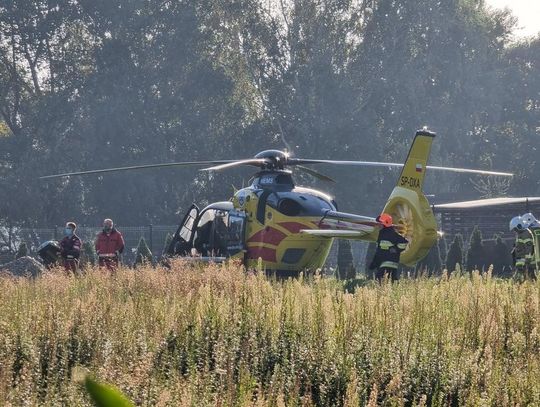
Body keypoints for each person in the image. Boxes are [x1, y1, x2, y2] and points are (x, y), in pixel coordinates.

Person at [369, 213, 408, 282]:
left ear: (385, 224)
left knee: (380, 281)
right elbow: (380, 250)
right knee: (392, 282)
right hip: (391, 264)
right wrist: (374, 263)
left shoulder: (389, 234)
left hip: (386, 263)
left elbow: (404, 242)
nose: (378, 225)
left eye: (380, 223)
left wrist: (396, 249)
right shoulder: (385, 233)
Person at [510, 216, 536, 281]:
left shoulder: (526, 234)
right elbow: (520, 247)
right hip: (521, 262)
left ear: (519, 226)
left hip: (525, 263)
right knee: (522, 279)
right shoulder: (520, 234)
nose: (515, 231)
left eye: (515, 229)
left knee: (528, 278)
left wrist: (527, 262)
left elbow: (529, 248)